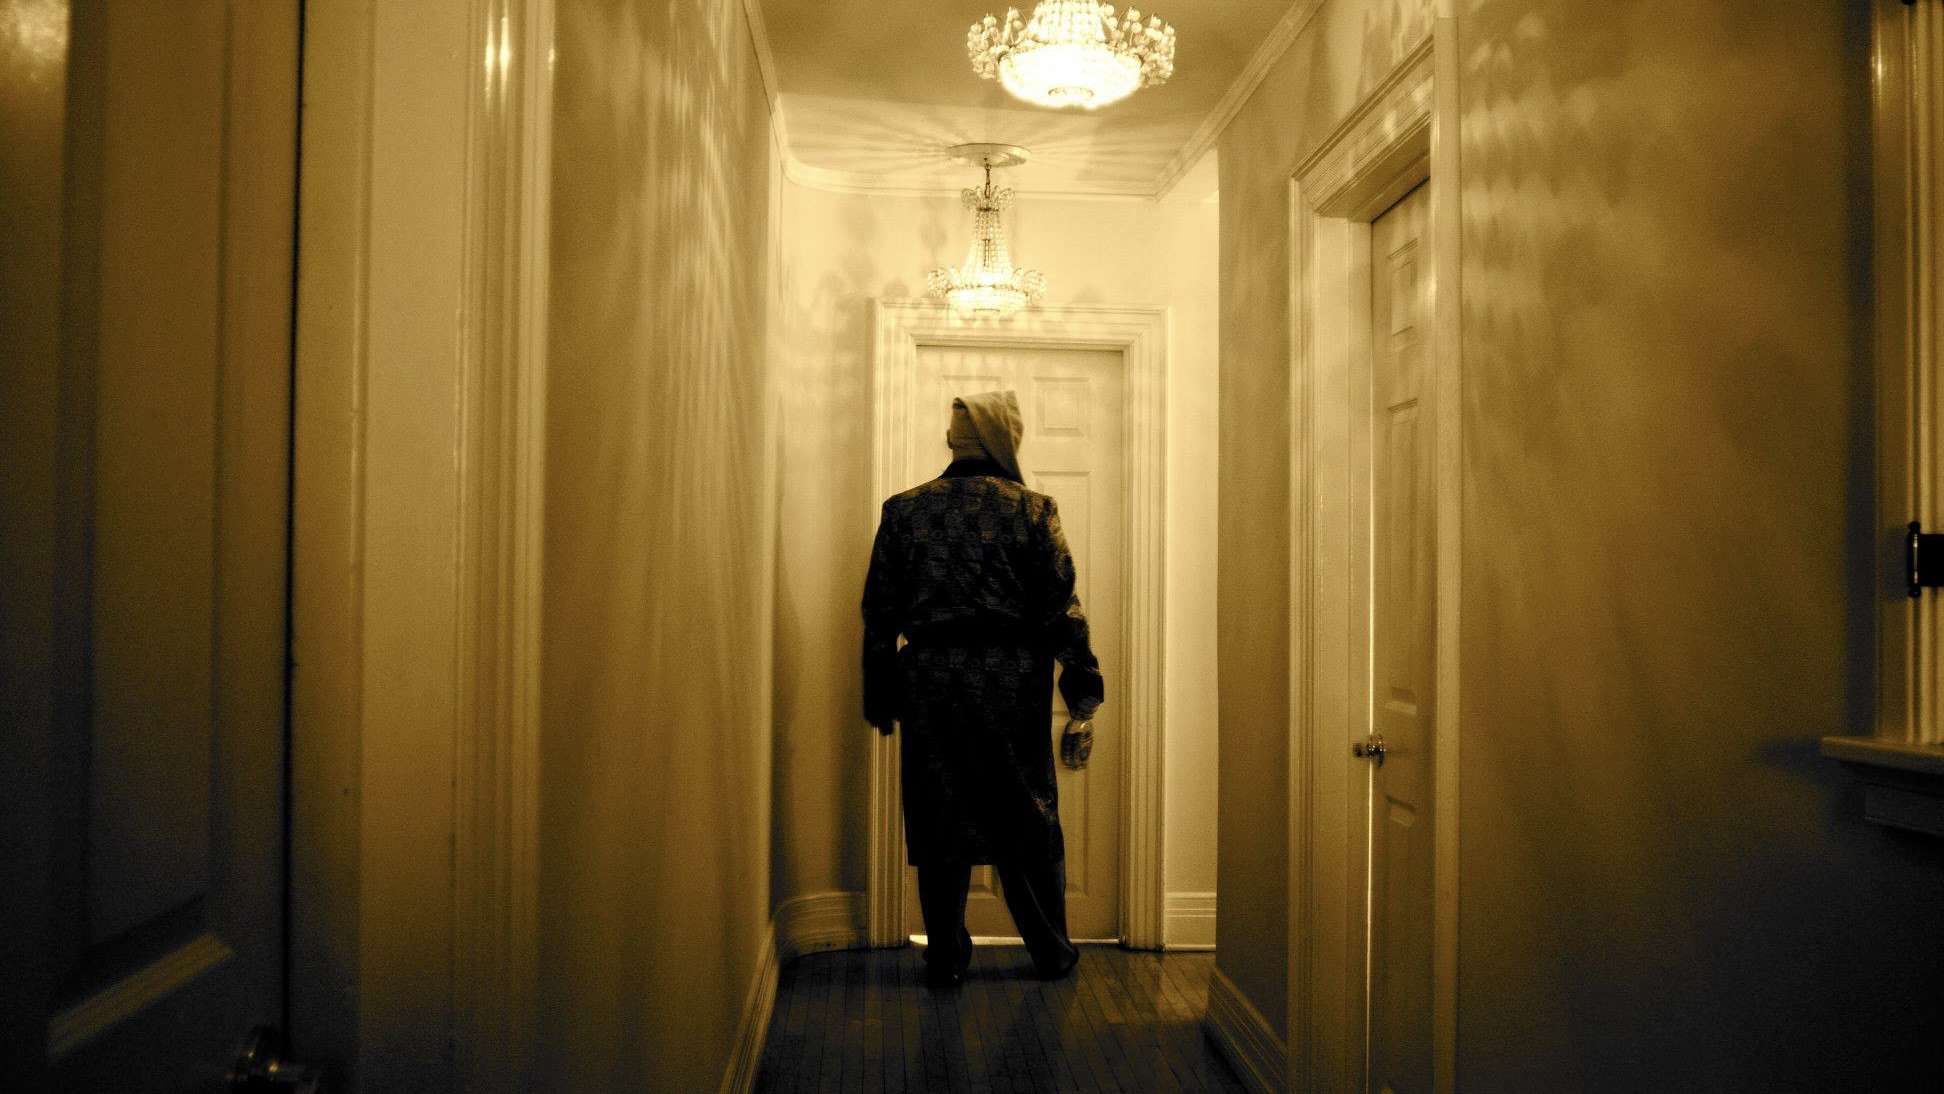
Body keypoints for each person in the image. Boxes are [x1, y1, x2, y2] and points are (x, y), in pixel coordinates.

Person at [861, 388, 1104, 989]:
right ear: (1007, 439)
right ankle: (1051, 951)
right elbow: (1062, 610)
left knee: (938, 815)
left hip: (931, 685)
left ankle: (945, 957)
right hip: (1011, 685)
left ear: (953, 440)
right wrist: (1082, 694)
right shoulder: (1033, 510)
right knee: (1027, 816)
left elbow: (880, 613)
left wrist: (881, 694)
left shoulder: (904, 510)